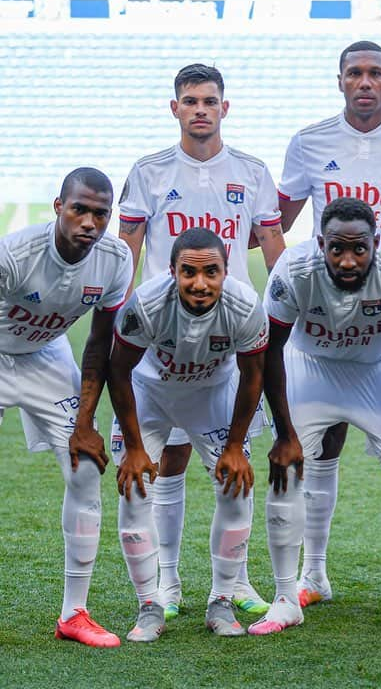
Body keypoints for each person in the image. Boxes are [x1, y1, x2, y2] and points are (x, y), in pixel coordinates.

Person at [278, 40, 381, 609]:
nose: (365, 82)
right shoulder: (309, 141)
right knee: (320, 447)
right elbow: (273, 221)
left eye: (376, 73)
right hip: (325, 311)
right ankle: (312, 573)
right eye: (356, 73)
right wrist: (290, 281)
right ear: (341, 80)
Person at [118, 63, 284, 619]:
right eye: (190, 101)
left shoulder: (253, 172)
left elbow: (273, 245)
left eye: (209, 101)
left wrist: (288, 310)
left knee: (231, 463)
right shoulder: (148, 171)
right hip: (164, 333)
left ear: (224, 108)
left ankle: (231, 583)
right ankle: (167, 579)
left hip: (226, 334)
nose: (200, 110)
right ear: (175, 109)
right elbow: (128, 250)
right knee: (167, 461)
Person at [252, 197, 381, 636]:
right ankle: (288, 594)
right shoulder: (293, 269)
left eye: (359, 249)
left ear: (376, 243)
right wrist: (283, 433)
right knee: (287, 469)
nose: (348, 260)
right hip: (312, 366)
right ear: (320, 244)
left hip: (377, 367)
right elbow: (268, 350)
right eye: (337, 249)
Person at [108, 227, 269, 642]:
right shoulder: (145, 303)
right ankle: (149, 606)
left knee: (236, 487)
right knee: (135, 488)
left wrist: (235, 445)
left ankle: (222, 600)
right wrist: (135, 447)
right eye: (189, 273)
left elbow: (254, 376)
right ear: (172, 271)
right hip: (151, 392)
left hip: (212, 392)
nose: (200, 283)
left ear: (225, 271)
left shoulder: (246, 306)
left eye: (211, 272)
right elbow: (118, 370)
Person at [0, 168, 132, 647]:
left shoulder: (115, 261)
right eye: (80, 209)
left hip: (46, 356)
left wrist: (85, 425)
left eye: (101, 214)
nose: (90, 223)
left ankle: (73, 613)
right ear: (59, 206)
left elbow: (99, 344)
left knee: (84, 470)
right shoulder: (15, 255)